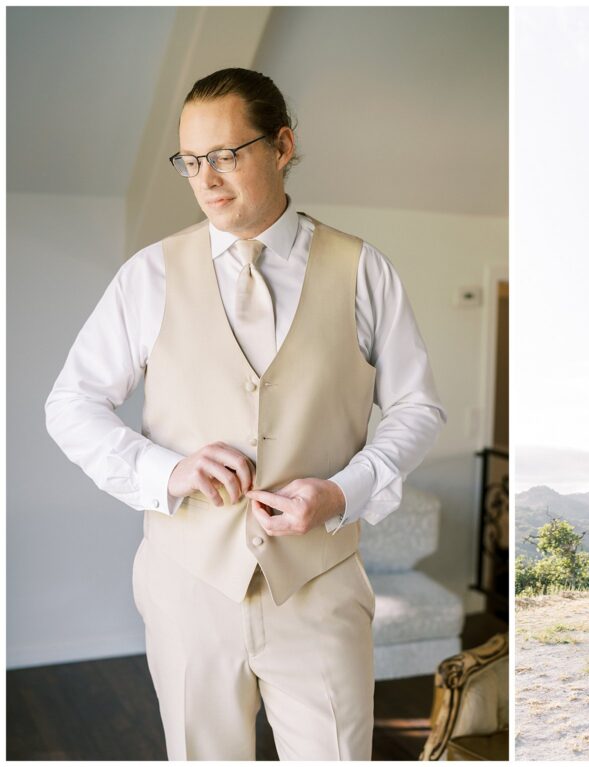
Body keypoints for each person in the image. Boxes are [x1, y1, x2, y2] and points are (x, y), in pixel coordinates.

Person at [45, 68, 446, 760]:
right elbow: (70, 404)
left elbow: (419, 406)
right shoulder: (150, 274)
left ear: (282, 145)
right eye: (192, 162)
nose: (208, 179)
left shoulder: (363, 270)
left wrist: (345, 491)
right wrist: (168, 470)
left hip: (319, 589)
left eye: (227, 155)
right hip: (186, 585)